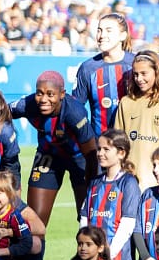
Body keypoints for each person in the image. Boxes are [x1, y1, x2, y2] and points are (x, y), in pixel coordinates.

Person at [9, 71, 98, 227]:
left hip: (80, 157)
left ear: (62, 94)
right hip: (48, 154)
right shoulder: (27, 105)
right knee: (34, 223)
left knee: (87, 221)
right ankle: (32, 250)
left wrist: (93, 188)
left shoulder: (75, 113)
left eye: (50, 94)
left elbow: (91, 155)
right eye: (39, 94)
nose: (44, 99)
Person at [80, 129, 140, 260]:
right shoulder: (95, 182)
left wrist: (108, 253)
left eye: (106, 149)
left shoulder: (128, 182)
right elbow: (84, 218)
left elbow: (128, 224)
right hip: (93, 259)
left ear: (121, 153)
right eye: (99, 149)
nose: (100, 153)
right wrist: (86, 247)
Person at [113, 50, 159, 190]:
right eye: (135, 74)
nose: (139, 79)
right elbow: (118, 143)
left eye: (144, 73)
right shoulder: (126, 102)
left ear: (157, 72)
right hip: (130, 181)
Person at [73, 12, 134, 136]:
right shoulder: (88, 68)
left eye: (108, 30)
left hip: (132, 146)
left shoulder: (136, 64)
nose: (102, 35)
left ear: (123, 35)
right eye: (99, 30)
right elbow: (75, 109)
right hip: (99, 147)